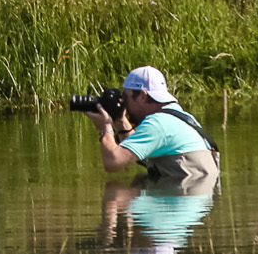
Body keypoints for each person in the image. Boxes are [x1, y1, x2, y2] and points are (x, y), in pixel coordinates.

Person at [81, 65, 220, 184]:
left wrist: (106, 128)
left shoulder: (158, 123)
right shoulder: (180, 117)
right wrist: (121, 122)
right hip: (193, 194)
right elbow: (142, 154)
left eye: (126, 97)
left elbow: (113, 162)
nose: (124, 104)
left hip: (181, 197)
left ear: (142, 95)